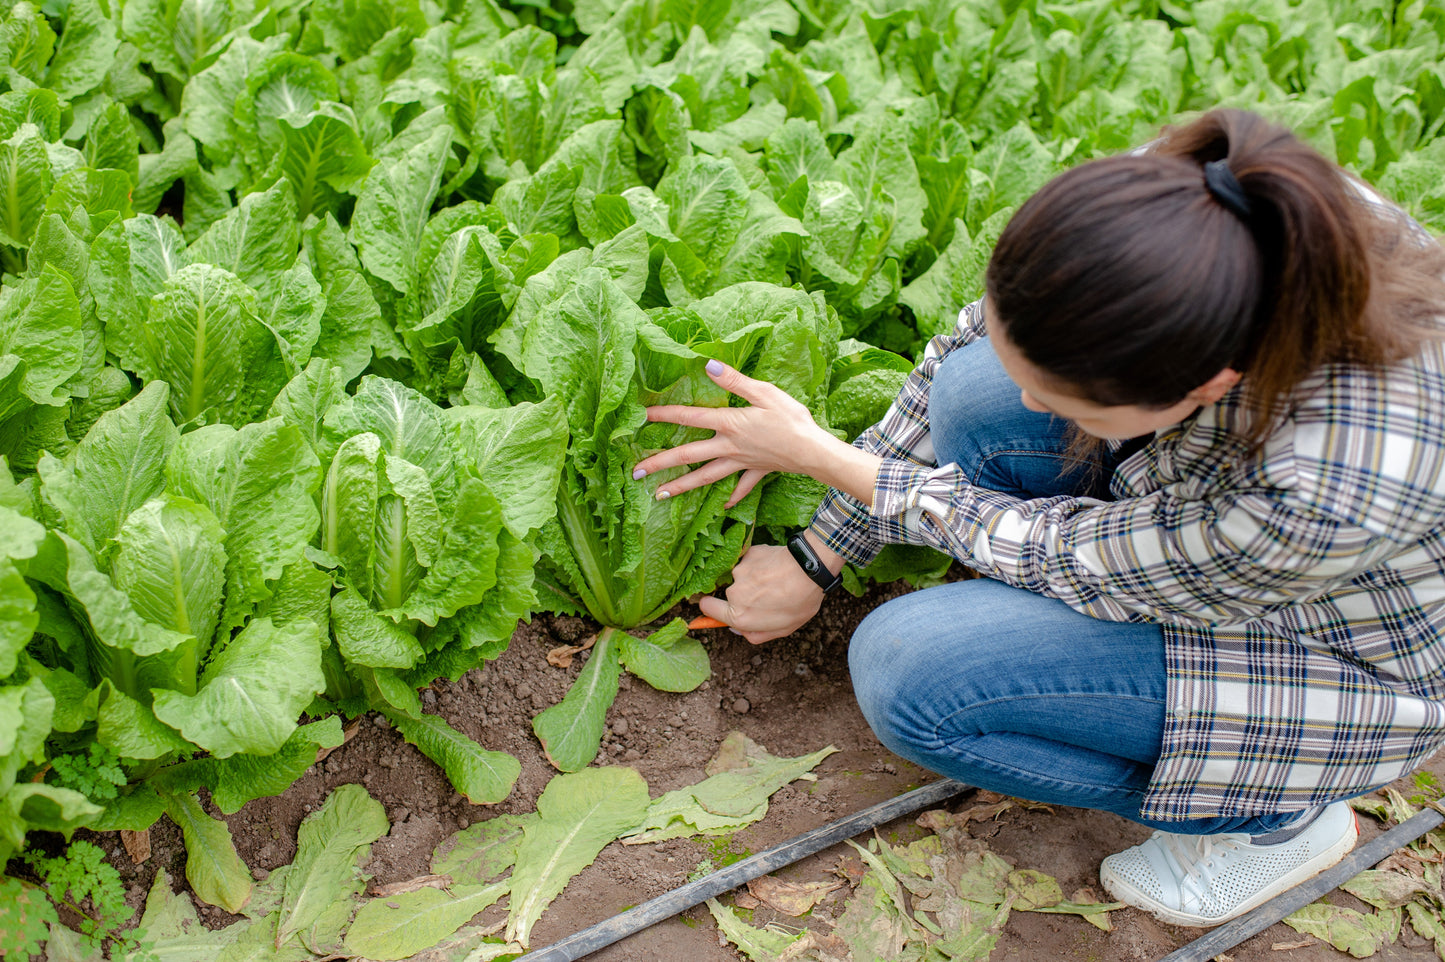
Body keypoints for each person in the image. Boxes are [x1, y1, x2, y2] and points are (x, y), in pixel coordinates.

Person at [630, 108, 1445, 926]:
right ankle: (1077, 659)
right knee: (976, 392)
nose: (1032, 407)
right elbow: (962, 350)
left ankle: (1275, 822)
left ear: (1205, 383)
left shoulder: (1326, 488)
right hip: (1193, 536)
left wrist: (830, 461)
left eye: (1058, 399)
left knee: (911, 673)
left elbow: (1072, 554)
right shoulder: (1185, 211)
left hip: (1345, 657)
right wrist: (819, 552)